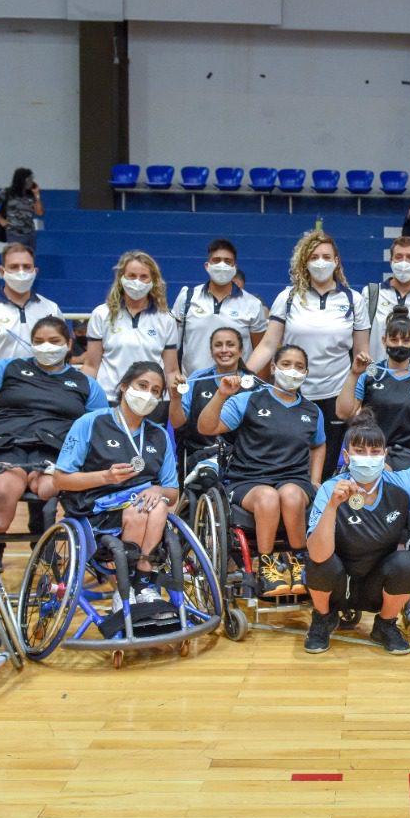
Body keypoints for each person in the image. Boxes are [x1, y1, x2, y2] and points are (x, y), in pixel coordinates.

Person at [0, 316, 107, 564]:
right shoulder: (11, 368)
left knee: (48, 488)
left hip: (56, 449)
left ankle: (45, 538)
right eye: (39, 341)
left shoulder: (85, 384)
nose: (46, 346)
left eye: (54, 341)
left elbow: (99, 427)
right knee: (2, 495)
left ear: (69, 344)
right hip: (9, 443)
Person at [303, 411, 410, 654]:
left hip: (377, 582)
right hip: (338, 581)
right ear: (346, 456)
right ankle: (323, 619)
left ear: (385, 455)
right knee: (319, 563)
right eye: (359, 451)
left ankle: (385, 625)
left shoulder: (401, 485)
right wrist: (333, 507)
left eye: (375, 452)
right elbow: (317, 553)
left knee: (407, 562)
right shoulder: (329, 489)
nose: (368, 458)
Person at [201, 345, 325, 597]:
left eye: (299, 367)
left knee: (290, 495)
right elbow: (206, 427)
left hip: (294, 479)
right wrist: (221, 395)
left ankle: (299, 559)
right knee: (268, 497)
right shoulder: (248, 400)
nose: (293, 371)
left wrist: (314, 480)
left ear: (306, 372)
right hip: (248, 480)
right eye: (287, 364)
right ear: (273, 368)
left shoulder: (312, 411)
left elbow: (319, 444)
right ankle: (267, 567)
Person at [247, 230, 370, 481]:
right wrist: (243, 377)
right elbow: (268, 344)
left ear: (337, 261)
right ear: (305, 262)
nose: (321, 262)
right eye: (314, 256)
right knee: (289, 465)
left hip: (336, 396)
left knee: (323, 471)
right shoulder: (288, 297)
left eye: (327, 256)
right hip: (292, 393)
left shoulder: (353, 300)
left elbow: (362, 355)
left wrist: (358, 401)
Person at [53, 361, 179, 605]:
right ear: (123, 387)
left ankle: (142, 582)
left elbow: (172, 492)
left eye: (155, 391)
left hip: (145, 509)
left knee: (159, 505)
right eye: (142, 386)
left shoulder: (159, 434)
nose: (148, 395)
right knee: (143, 510)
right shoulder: (91, 423)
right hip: (95, 509)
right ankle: (127, 587)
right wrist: (105, 477)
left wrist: (157, 489)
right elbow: (60, 479)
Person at [0, 243, 63, 427]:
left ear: (35, 270)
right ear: (2, 271)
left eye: (26, 267)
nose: (21, 272)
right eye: (14, 267)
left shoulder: (51, 308)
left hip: (44, 406)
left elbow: (61, 360)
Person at [338, 306, 410, 472]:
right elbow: (343, 413)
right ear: (384, 340)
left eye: (405, 340)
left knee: (386, 474)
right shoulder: (369, 374)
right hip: (369, 449)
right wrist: (353, 374)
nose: (399, 345)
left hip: (406, 454)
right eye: (394, 340)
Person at [82, 250, 179, 407]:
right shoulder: (101, 314)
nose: (137, 282)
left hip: (151, 402)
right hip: (108, 399)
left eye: (143, 277)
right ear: (121, 278)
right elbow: (91, 365)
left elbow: (172, 371)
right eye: (132, 276)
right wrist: (82, 397)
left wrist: (175, 400)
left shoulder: (166, 319)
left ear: (153, 281)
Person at [170, 239, 268, 376]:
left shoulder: (252, 304)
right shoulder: (187, 298)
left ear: (235, 267)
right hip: (194, 388)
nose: (222, 265)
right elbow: (171, 347)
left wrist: (260, 391)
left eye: (228, 261)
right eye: (216, 260)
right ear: (207, 265)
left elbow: (261, 350)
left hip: (238, 390)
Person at [169, 326, 251, 482]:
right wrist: (175, 398)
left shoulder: (254, 384)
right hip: (200, 456)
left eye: (230, 344)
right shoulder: (197, 379)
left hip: (243, 459)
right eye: (218, 345)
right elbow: (177, 423)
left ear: (241, 350)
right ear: (211, 351)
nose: (224, 350)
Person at [363, 236, 410, 362]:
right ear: (391, 261)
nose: (404, 263)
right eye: (399, 257)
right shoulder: (371, 294)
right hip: (377, 374)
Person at [0, 167, 42, 252]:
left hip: (30, 233)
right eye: (29, 179)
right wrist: (0, 219)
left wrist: (37, 195)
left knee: (29, 258)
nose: (31, 181)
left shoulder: (31, 195)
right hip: (14, 232)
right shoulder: (7, 192)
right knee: (16, 256)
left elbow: (39, 212)